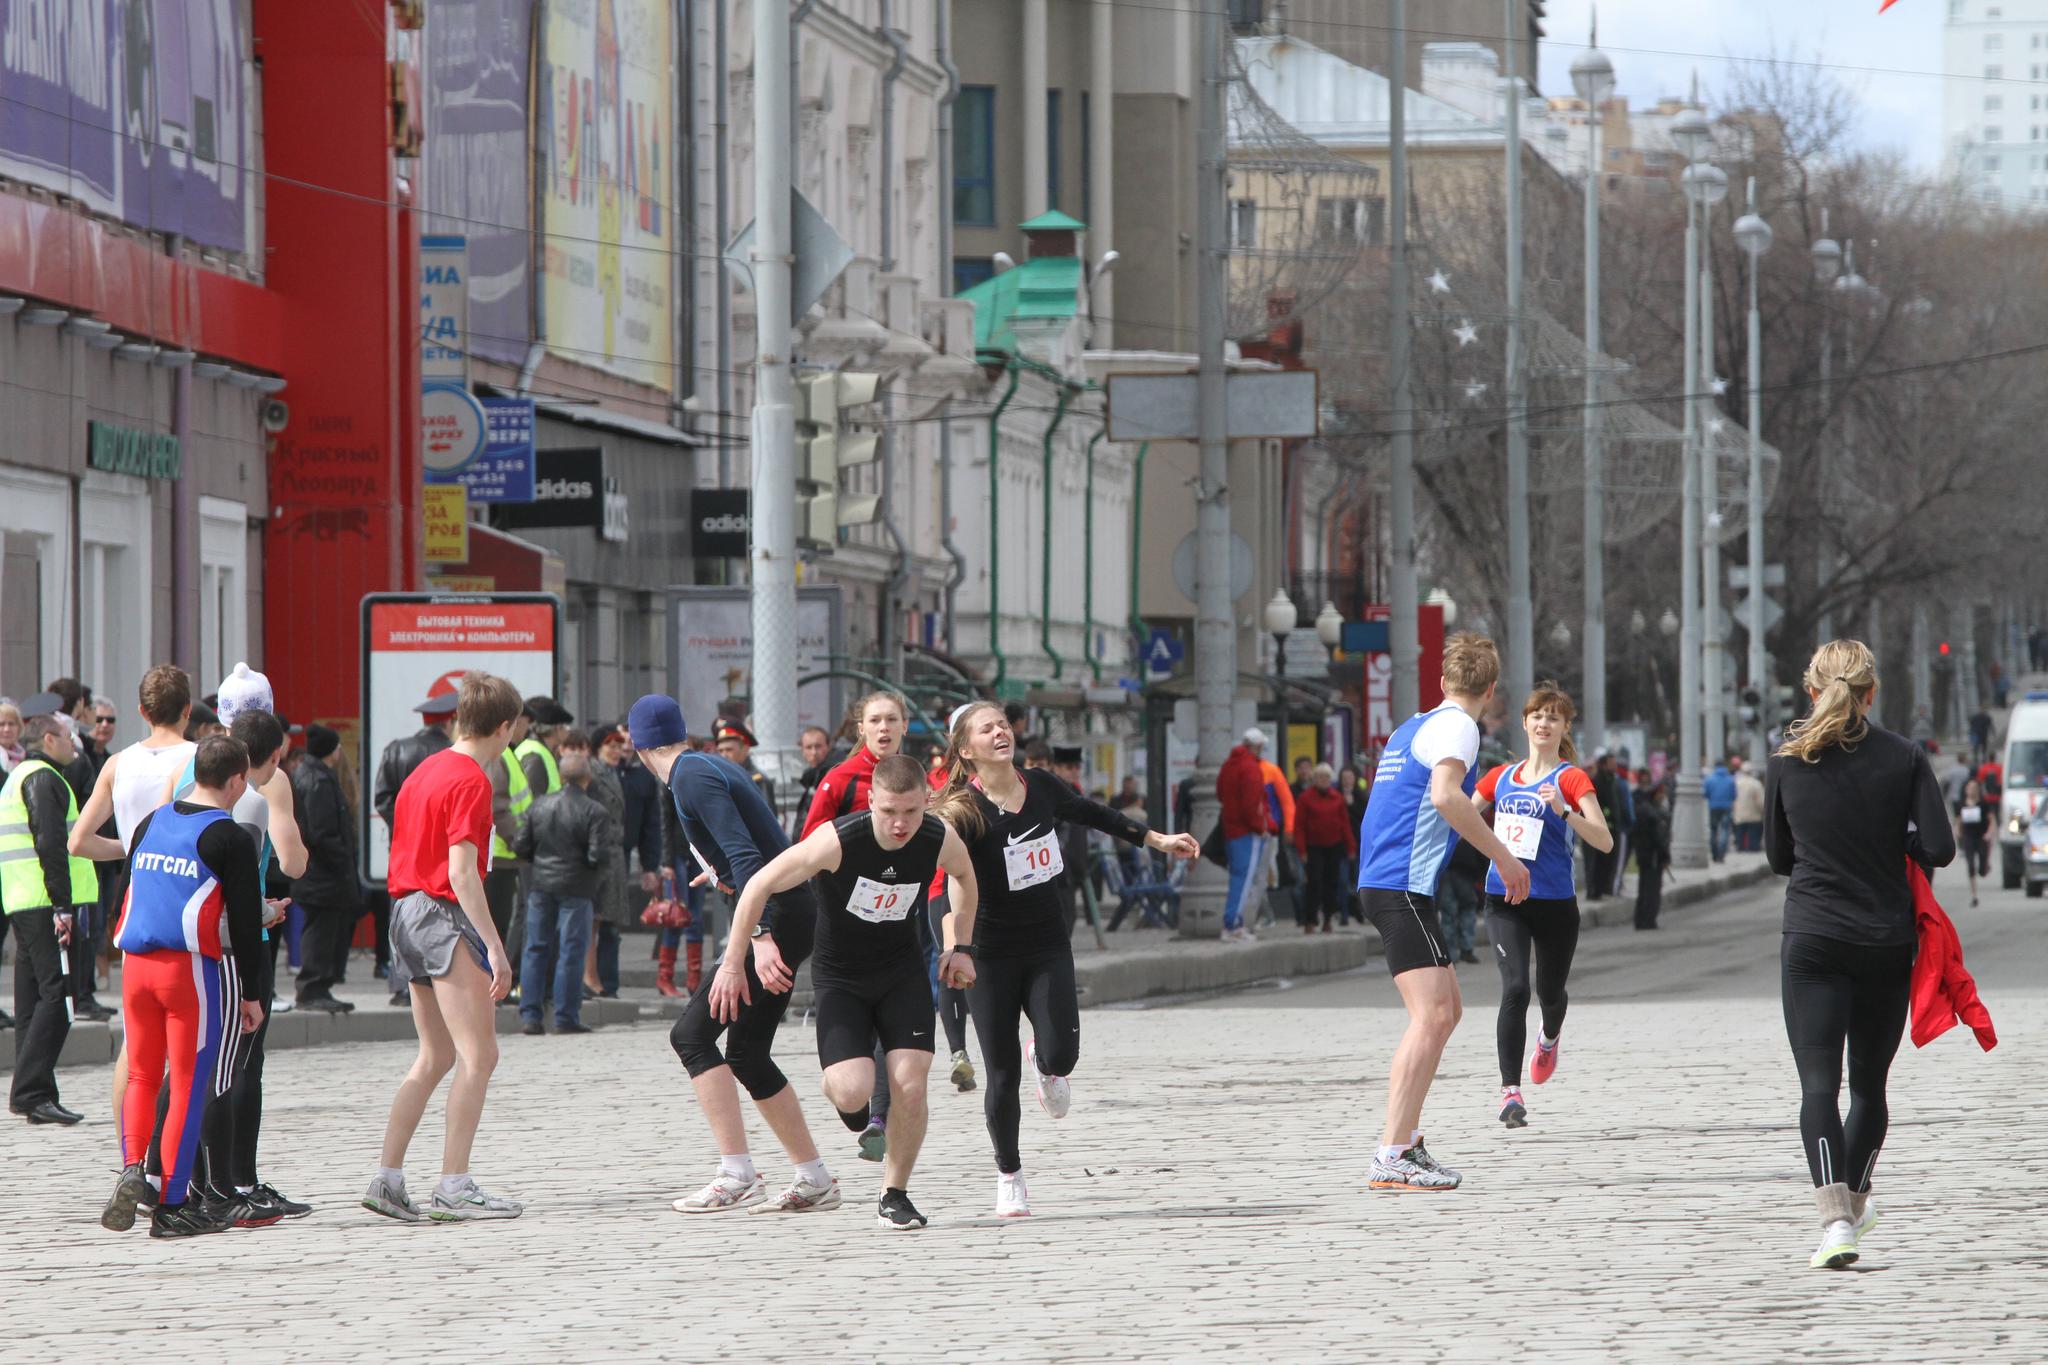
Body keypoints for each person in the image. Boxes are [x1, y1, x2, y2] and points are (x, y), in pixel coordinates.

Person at [931, 702, 1199, 1218]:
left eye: (1004, 725)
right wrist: (955, 949)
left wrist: (1154, 838)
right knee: (1000, 1073)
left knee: (1062, 1056)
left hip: (1048, 943)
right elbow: (946, 891)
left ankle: (1046, 1063)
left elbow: (1094, 814)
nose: (1000, 733)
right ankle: (1009, 1174)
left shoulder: (1042, 786)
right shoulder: (959, 811)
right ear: (966, 750)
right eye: (987, 730)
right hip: (988, 953)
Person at [713, 753, 981, 1229]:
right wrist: (738, 959)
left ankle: (894, 1194)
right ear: (872, 800)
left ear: (927, 803)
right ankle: (842, 1093)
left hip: (902, 974)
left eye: (912, 813)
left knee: (911, 1086)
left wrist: (961, 944)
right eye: (889, 812)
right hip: (842, 980)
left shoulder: (938, 837)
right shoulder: (837, 841)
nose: (901, 825)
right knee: (852, 1090)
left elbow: (965, 878)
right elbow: (757, 886)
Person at [1766, 639, 1954, 1270]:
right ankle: (1856, 1201)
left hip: (1814, 938)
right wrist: (1890, 841)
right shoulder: (1904, 757)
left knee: (1819, 1084)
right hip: (1884, 940)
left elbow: (1777, 858)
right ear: (1873, 692)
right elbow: (1940, 846)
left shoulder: (1788, 761)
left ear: (1811, 690)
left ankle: (1835, 1220)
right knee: (1869, 1089)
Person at [629, 694, 835, 1216]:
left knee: (692, 1035)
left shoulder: (690, 778)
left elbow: (747, 854)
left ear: (637, 746)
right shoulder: (704, 765)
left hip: (777, 917)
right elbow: (749, 850)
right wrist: (719, 872)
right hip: (786, 910)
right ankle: (814, 1178)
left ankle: (736, 1173)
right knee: (746, 1053)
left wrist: (758, 937)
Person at [1355, 635, 1530, 1192]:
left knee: (1447, 1009)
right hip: (1398, 885)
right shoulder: (1459, 726)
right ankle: (1391, 1154)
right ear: (1492, 690)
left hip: (1398, 884)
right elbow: (1445, 796)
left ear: (1441, 681)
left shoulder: (1417, 723)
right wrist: (1503, 856)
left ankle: (1404, 1144)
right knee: (1430, 1017)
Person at [362, 672, 525, 1224]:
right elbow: (462, 872)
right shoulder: (472, 780)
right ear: (504, 727)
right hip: (441, 913)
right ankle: (454, 1185)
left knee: (435, 1056)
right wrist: (496, 949)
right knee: (480, 1055)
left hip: (404, 911)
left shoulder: (423, 771)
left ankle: (387, 1178)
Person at [101, 737, 268, 1239]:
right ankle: (173, 1207)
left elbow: (127, 887)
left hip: (135, 964)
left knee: (143, 1077)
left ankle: (134, 1164)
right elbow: (243, 925)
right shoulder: (230, 836)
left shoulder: (153, 822)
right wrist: (253, 993)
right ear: (237, 780)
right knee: (190, 1087)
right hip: (187, 971)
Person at [162, 701, 312, 1226]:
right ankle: (228, 1184)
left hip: (164, 942)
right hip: (223, 947)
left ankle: (160, 1177)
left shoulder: (184, 778)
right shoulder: (256, 795)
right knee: (233, 1065)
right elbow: (285, 869)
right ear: (266, 756)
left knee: (173, 1066)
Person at [1472, 685, 1612, 1131]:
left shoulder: (1570, 779)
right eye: (1537, 715)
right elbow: (1461, 817)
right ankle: (1509, 1092)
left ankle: (1549, 1038)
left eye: (1554, 717)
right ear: (1525, 722)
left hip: (1554, 902)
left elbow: (1604, 840)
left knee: (1550, 994)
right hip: (1505, 900)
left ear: (1565, 727)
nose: (1543, 723)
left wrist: (1565, 812)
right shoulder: (1500, 777)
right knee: (1515, 990)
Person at [5, 712, 97, 1125]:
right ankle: (30, 1090)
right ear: (47, 738)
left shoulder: (19, 776)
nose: (73, 744)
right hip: (47, 903)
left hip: (24, 900)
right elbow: (51, 844)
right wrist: (63, 906)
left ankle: (35, 1093)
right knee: (59, 995)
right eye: (67, 737)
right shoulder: (44, 778)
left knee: (32, 1000)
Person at [512, 729, 611, 1035]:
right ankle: (566, 1016)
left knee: (535, 947)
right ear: (587, 779)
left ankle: (530, 1014)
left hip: (541, 883)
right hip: (577, 888)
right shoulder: (595, 811)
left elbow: (521, 845)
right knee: (571, 949)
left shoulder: (539, 805)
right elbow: (597, 854)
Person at [373, 689, 459, 1000]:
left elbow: (381, 798)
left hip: (404, 848)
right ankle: (440, 981)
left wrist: (406, 827)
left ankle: (402, 986)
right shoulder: (452, 754)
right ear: (450, 721)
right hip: (442, 850)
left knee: (402, 912)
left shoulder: (397, 749)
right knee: (443, 916)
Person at [291, 724, 359, 1011]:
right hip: (323, 874)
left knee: (323, 929)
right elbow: (321, 832)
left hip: (320, 873)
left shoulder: (311, 774)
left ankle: (319, 986)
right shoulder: (318, 779)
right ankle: (312, 988)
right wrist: (343, 858)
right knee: (320, 931)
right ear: (333, 750)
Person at [584, 726, 632, 1000]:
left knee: (605, 920)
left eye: (618, 745)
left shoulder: (612, 772)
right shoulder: (593, 772)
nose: (616, 751)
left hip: (613, 855)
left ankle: (601, 979)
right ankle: (590, 977)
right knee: (595, 920)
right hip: (600, 854)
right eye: (609, 746)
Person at [1216, 728, 1272, 943]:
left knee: (1236, 878)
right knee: (1244, 879)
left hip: (1231, 829)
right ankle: (1233, 925)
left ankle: (1232, 923)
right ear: (1256, 747)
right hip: (1247, 832)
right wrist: (1260, 827)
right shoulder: (1250, 768)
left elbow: (1220, 793)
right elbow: (1252, 804)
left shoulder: (1229, 765)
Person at [1293, 763, 1356, 933]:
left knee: (1332, 884)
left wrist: (1350, 846)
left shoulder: (1337, 798)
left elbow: (1344, 824)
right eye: (1320, 777)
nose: (1324, 780)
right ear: (1315, 779)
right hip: (1313, 847)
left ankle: (1328, 918)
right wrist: (1302, 850)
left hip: (1334, 846)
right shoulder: (1306, 798)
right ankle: (1310, 920)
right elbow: (1299, 826)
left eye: (1327, 777)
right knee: (1314, 883)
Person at [1434, 836, 1487, 965]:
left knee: (1449, 914)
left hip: (1445, 873)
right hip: (1465, 874)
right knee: (1467, 910)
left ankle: (1450, 954)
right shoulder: (1467, 829)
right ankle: (1466, 950)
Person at [1632, 773, 1671, 931]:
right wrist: (1665, 856)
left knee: (1643, 889)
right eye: (1661, 793)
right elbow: (1659, 839)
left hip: (1643, 856)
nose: (1663, 796)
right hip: (1653, 857)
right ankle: (1649, 920)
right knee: (1652, 890)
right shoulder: (1654, 813)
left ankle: (1640, 919)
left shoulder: (1642, 809)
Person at [714, 718, 775, 810]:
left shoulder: (757, 780)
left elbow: (766, 819)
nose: (724, 755)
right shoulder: (717, 777)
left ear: (745, 749)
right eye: (720, 751)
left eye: (729, 750)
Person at [1954, 777, 1994, 908]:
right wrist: (1957, 831)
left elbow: (1992, 820)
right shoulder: (1962, 804)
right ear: (1966, 790)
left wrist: (1989, 833)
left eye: (1974, 788)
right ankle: (1974, 895)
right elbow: (1958, 820)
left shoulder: (1983, 804)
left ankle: (1985, 866)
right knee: (1971, 865)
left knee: (1982, 871)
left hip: (1981, 837)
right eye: (1969, 788)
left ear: (1977, 790)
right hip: (1968, 837)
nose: (1971, 790)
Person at [1703, 758, 1736, 863]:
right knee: (1725, 831)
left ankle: (1714, 854)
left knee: (1713, 831)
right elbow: (1734, 795)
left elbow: (1706, 794)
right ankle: (1721, 854)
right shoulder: (1730, 779)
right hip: (1726, 808)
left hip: (1713, 807)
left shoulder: (1709, 779)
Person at [1733, 760, 1767, 854]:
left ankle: (1740, 848)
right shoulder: (1756, 784)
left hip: (1739, 814)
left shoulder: (1736, 783)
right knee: (1753, 836)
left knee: (1740, 833)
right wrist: (1763, 811)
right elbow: (1761, 801)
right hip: (1753, 815)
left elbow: (1733, 798)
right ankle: (1753, 849)